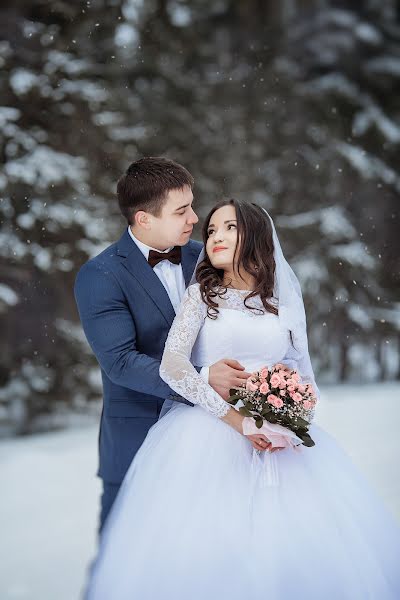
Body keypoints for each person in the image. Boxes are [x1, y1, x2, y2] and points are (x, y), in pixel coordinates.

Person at [85, 199, 400, 599]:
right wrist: (236, 420)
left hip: (280, 444)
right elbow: (172, 366)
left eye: (227, 228)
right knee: (210, 544)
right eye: (211, 230)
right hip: (206, 433)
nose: (214, 236)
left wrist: (290, 413)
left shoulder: (283, 301)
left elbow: (305, 375)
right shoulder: (202, 295)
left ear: (253, 234)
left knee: (292, 543)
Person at [74, 158, 253, 531]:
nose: (195, 218)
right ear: (144, 219)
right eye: (182, 210)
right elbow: (121, 362)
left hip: (216, 435)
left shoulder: (209, 256)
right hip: (139, 436)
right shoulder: (100, 275)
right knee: (124, 558)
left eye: (192, 205)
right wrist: (203, 378)